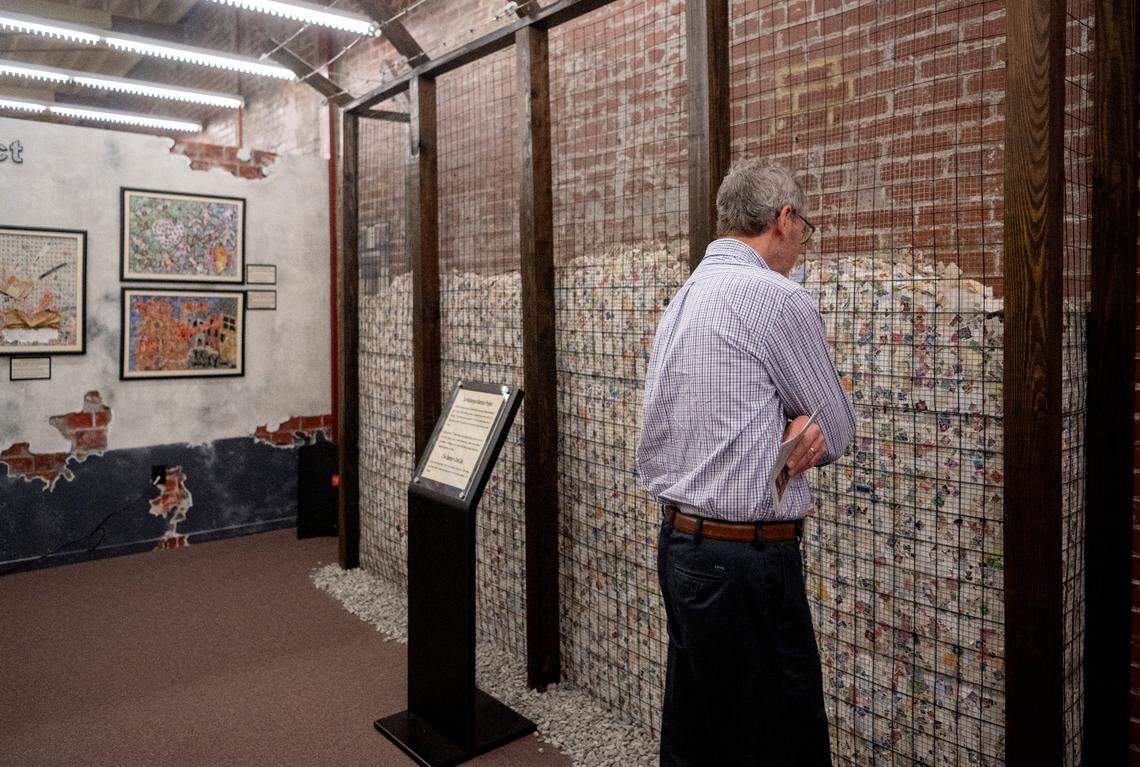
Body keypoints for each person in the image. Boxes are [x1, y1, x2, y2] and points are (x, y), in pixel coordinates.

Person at [636, 158, 856, 766]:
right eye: (805, 227)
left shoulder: (686, 296)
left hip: (680, 547)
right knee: (779, 742)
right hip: (746, 561)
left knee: (695, 737)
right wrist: (802, 421)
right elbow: (838, 427)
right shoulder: (776, 298)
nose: (804, 241)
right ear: (783, 219)